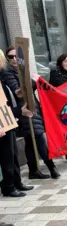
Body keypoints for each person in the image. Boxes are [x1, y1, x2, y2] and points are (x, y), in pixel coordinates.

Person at [1, 46, 60, 179]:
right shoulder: (7, 73)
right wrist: (34, 81)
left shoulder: (22, 71)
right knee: (39, 138)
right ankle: (51, 167)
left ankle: (33, 170)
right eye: (11, 57)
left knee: (30, 141)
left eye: (17, 56)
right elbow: (19, 93)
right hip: (23, 112)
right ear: (7, 59)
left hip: (32, 109)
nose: (15, 59)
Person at [0, 49, 34, 197]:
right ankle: (8, 187)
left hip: (9, 121)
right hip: (3, 124)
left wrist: (18, 106)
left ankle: (16, 182)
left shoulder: (1, 78)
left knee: (12, 155)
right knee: (7, 157)